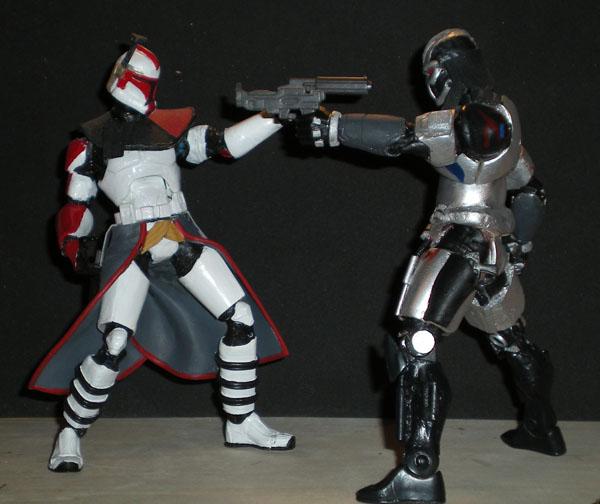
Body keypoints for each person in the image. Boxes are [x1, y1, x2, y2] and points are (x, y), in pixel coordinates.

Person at [296, 28, 565, 504]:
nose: (432, 83)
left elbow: (404, 137)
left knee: (415, 344)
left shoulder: (469, 121)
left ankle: (418, 474)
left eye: (434, 74)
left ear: (448, 70)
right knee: (512, 340)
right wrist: (519, 246)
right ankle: (542, 427)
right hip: (495, 250)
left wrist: (334, 128)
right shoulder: (506, 118)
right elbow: (530, 189)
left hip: (459, 243)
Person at [29, 38, 294, 472]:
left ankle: (242, 421)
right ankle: (71, 430)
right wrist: (75, 246)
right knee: (114, 341)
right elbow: (76, 206)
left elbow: (221, 144)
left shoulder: (169, 129)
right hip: (131, 241)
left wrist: (274, 116)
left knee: (240, 317)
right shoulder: (90, 141)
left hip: (176, 232)